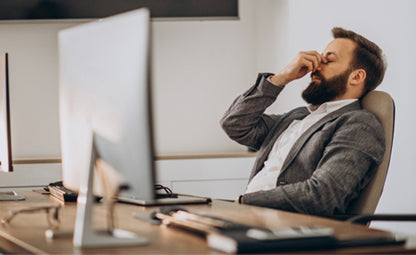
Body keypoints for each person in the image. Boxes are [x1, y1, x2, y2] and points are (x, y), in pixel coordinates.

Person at [220, 27, 387, 216]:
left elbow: (323, 195)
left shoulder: (358, 125)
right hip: (250, 216)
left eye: (329, 60)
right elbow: (234, 124)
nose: (315, 66)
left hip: (288, 227)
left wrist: (246, 202)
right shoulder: (296, 117)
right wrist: (281, 78)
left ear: (356, 76)